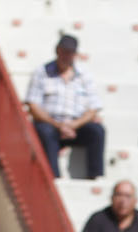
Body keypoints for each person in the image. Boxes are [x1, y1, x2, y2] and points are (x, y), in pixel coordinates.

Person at [26, 35, 105, 179]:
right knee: (46, 132)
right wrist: (58, 125)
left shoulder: (84, 75)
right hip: (50, 124)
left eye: (70, 52)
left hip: (76, 125)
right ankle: (53, 178)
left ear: (75, 54)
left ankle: (96, 176)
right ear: (57, 51)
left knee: (97, 131)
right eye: (64, 51)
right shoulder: (41, 72)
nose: (66, 56)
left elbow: (93, 107)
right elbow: (33, 106)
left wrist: (74, 125)